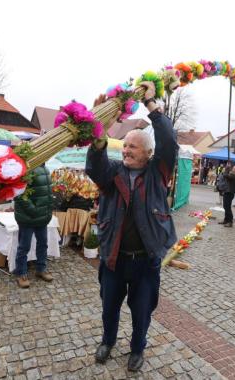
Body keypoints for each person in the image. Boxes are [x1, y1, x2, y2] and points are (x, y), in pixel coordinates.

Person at [86, 82, 178, 372]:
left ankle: (137, 349)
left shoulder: (158, 173)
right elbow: (94, 167)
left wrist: (152, 105)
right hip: (114, 259)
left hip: (146, 260)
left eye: (133, 146)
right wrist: (99, 130)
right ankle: (107, 341)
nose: (126, 150)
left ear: (148, 153)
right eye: (124, 145)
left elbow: (169, 143)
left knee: (142, 312)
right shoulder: (112, 172)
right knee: (109, 308)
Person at [13, 164, 54, 288]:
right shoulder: (26, 169)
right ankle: (21, 273)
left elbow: (46, 192)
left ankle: (41, 269)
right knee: (24, 247)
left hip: (42, 216)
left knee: (43, 244)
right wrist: (33, 210)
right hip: (28, 217)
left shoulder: (45, 168)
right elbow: (18, 193)